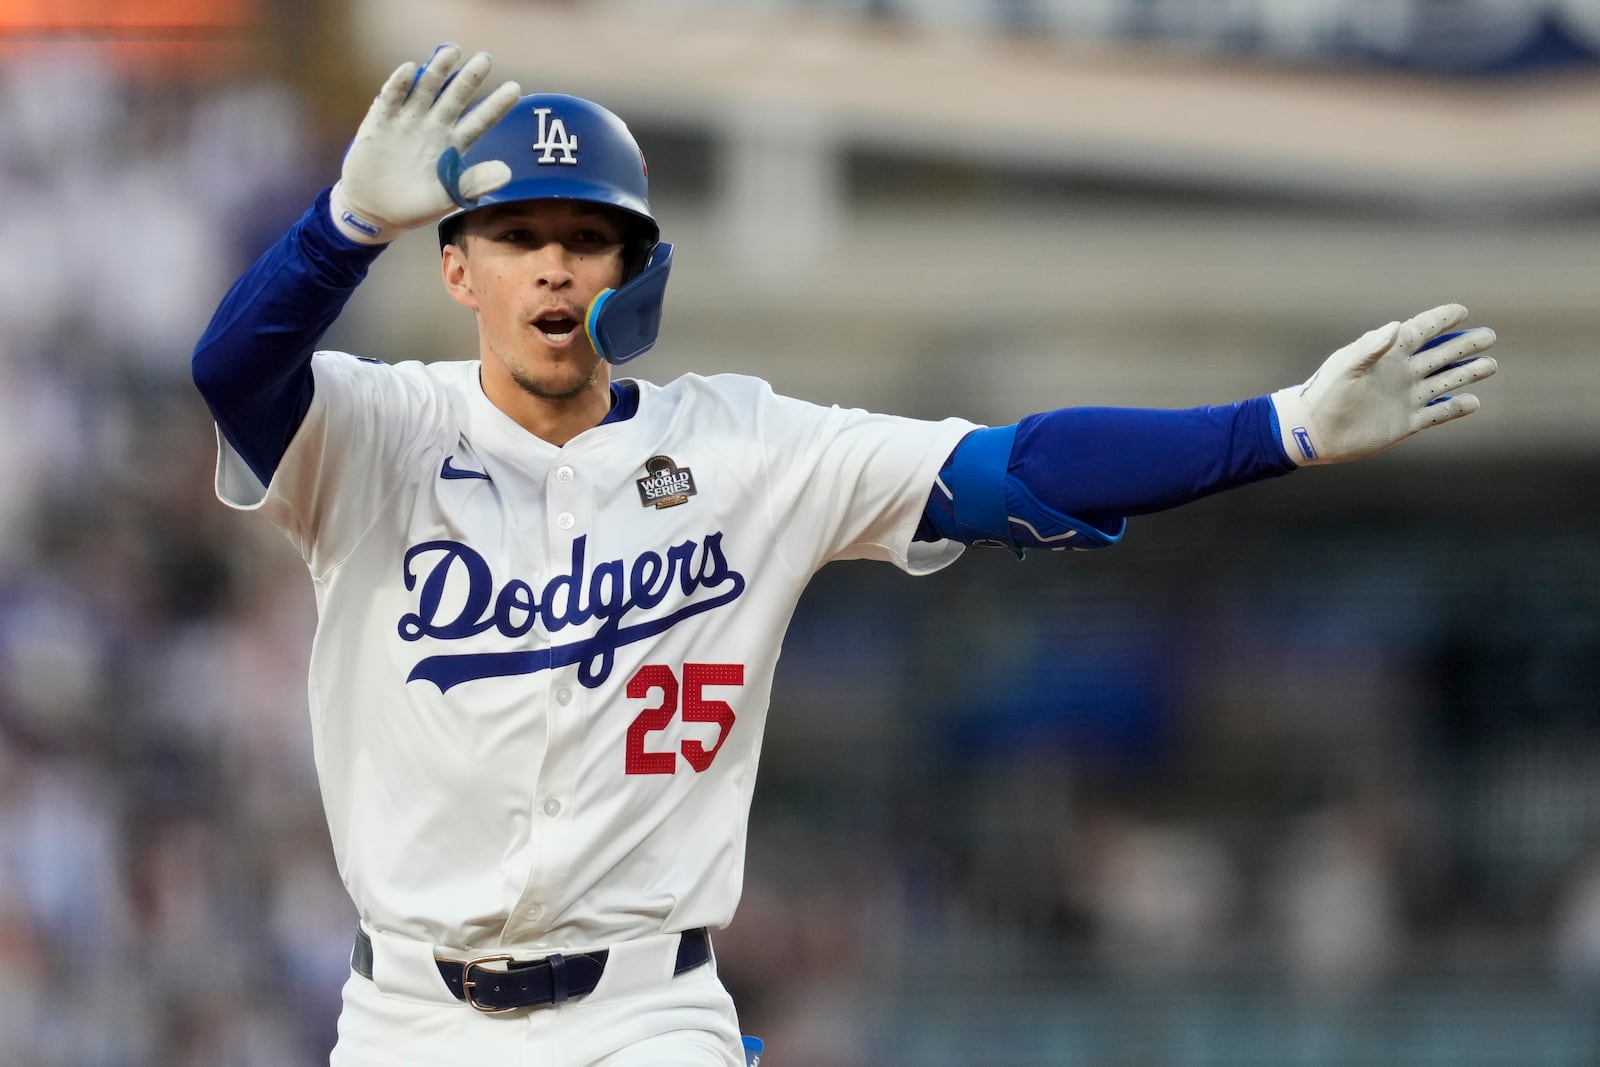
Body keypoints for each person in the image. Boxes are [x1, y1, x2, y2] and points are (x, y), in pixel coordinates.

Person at [189, 44, 1498, 1067]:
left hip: (646, 1013)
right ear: (460, 267)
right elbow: (232, 374)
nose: (551, 268)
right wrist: (344, 223)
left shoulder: (750, 450)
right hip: (411, 1019)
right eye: (518, 236)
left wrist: (1275, 429)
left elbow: (1013, 467)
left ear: (633, 270)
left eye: (585, 238)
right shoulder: (376, 428)